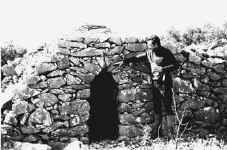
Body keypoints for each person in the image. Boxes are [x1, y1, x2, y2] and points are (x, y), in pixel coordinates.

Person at [123, 35, 180, 138]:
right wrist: (125, 60)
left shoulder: (165, 52)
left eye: (150, 45)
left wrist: (162, 69)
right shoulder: (149, 52)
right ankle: (157, 133)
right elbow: (138, 57)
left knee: (167, 106)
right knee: (157, 107)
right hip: (155, 83)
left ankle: (172, 134)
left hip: (165, 83)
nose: (148, 46)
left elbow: (176, 65)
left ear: (156, 44)